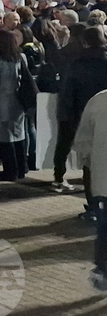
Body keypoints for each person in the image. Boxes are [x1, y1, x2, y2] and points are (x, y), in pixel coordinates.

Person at [54, 27, 107, 195]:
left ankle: (61, 177)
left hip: (79, 111)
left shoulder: (77, 63)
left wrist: (66, 114)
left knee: (75, 149)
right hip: (103, 110)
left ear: (84, 42)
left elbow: (69, 91)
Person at [73, 87, 107, 290]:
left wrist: (90, 163)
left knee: (105, 228)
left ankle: (103, 270)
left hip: (104, 182)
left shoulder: (99, 101)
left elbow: (83, 142)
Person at [0, 29, 29, 181]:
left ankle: (10, 171)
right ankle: (22, 168)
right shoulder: (21, 57)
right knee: (19, 135)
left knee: (5, 137)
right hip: (18, 100)